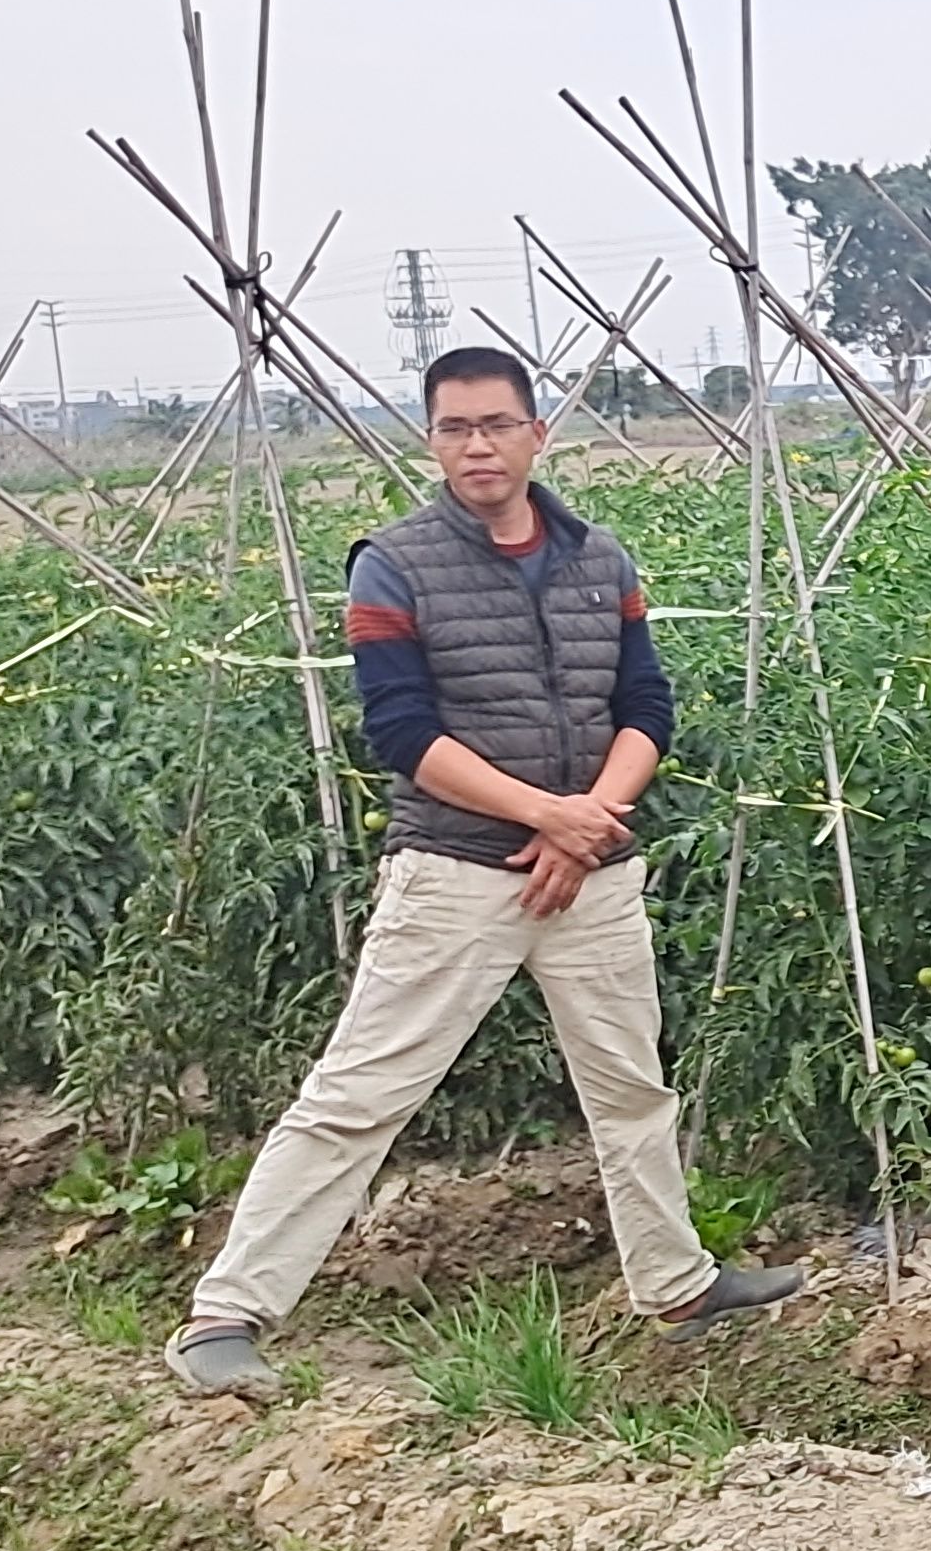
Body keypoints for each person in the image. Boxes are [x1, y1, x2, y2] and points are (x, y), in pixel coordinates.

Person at [165, 343, 798, 1397]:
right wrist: (549, 815)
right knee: (361, 1093)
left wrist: (587, 822)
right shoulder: (397, 564)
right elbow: (403, 734)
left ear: (535, 433)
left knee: (632, 1087)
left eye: (496, 423)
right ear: (433, 442)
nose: (477, 445)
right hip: (456, 874)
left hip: (590, 873)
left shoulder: (602, 558)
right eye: (455, 428)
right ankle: (223, 1319)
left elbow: (646, 710)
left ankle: (676, 1283)